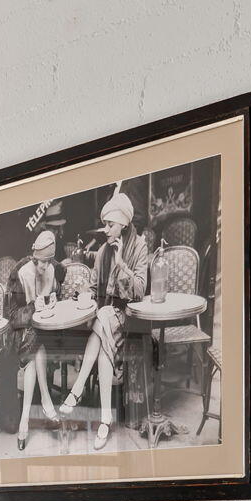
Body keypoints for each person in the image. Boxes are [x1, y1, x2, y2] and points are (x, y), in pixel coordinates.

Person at [58, 190, 149, 450]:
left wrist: (120, 263)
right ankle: (105, 419)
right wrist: (84, 291)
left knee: (103, 319)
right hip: (107, 316)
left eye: (110, 224)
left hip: (130, 315)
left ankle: (76, 390)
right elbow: (94, 283)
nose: (105, 229)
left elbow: (140, 291)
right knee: (103, 325)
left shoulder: (140, 247)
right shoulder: (102, 250)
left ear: (124, 222)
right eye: (105, 224)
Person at [0, 229, 61, 450]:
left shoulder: (52, 269)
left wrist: (54, 297)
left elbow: (54, 292)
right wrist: (35, 306)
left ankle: (27, 418)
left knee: (38, 344)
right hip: (20, 332)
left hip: (43, 328)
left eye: (48, 261)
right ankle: (45, 402)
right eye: (41, 262)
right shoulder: (22, 273)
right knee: (36, 348)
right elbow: (12, 316)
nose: (44, 266)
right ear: (34, 256)